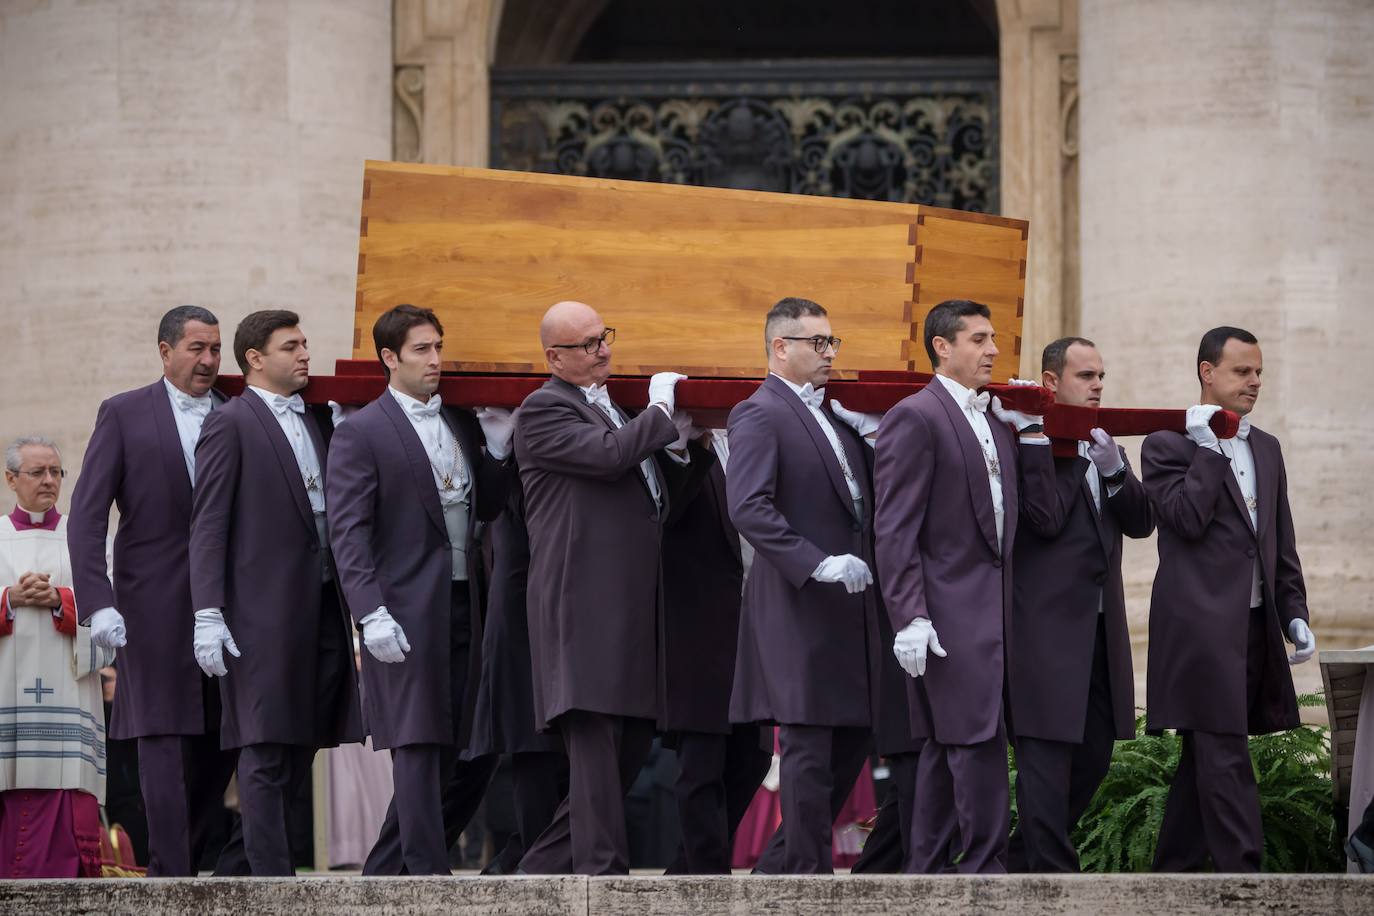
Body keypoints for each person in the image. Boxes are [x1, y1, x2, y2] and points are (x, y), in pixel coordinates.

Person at [874, 298, 1059, 874]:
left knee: (943, 744)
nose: (994, 350)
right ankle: (985, 867)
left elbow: (1026, 517)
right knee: (976, 739)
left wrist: (1030, 436)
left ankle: (924, 870)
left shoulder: (993, 418)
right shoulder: (916, 415)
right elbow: (894, 527)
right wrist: (910, 615)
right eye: (979, 339)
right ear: (942, 347)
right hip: (945, 612)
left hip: (994, 609)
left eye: (993, 338)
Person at [327, 303, 512, 875]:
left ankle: (386, 872)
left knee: (468, 742)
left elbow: (489, 505)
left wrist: (499, 452)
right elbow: (348, 532)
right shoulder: (361, 431)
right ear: (390, 358)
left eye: (438, 347)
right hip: (402, 609)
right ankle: (429, 877)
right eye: (421, 350)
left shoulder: (458, 421)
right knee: (417, 740)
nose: (435, 359)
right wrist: (369, 612)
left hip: (467, 602)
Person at [67, 305, 245, 876]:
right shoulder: (123, 414)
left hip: (234, 602)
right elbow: (87, 518)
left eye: (216, 349)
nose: (209, 360)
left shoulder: (237, 411)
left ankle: (205, 856)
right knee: (162, 733)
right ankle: (172, 877)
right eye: (197, 348)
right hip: (152, 603)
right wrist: (98, 602)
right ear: (165, 351)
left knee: (230, 732)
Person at [188, 310, 364, 875]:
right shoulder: (231, 423)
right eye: (292, 346)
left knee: (302, 740)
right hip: (259, 611)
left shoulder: (317, 419)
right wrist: (208, 611)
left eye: (306, 343)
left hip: (322, 605)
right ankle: (270, 883)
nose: (306, 354)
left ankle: (243, 868)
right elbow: (209, 522)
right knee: (264, 745)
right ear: (256, 358)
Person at [514, 300, 686, 876]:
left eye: (603, 337)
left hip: (629, 608)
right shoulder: (542, 409)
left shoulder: (608, 405)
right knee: (595, 748)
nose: (603, 350)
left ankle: (531, 879)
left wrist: (686, 447)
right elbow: (609, 458)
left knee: (627, 752)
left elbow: (651, 498)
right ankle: (603, 880)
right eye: (587, 344)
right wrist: (661, 410)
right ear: (554, 357)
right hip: (580, 608)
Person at [1143, 326, 1316, 872]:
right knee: (1224, 750)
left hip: (1255, 627)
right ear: (1206, 372)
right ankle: (1247, 878)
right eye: (1242, 371)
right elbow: (1186, 521)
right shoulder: (1165, 443)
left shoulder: (1267, 446)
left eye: (1258, 371)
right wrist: (1208, 450)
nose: (1255, 381)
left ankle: (1175, 870)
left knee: (1206, 754)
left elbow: (1278, 540)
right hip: (1198, 631)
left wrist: (1294, 614)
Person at [725, 296, 882, 875]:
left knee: (853, 738)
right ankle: (804, 885)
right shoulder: (760, 411)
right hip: (798, 601)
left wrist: (877, 441)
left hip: (848, 608)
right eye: (818, 343)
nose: (829, 353)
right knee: (808, 746)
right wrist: (815, 563)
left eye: (832, 341)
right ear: (779, 348)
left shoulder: (832, 414)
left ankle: (777, 873)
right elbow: (747, 505)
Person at [1005, 337, 1155, 872]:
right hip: (1042, 635)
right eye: (1086, 376)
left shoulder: (1102, 441)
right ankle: (1056, 883)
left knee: (1093, 757)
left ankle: (1014, 861)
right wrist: (1058, 446)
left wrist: (1114, 469)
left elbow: (1141, 523)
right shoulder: (1026, 439)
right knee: (1044, 762)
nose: (1097, 387)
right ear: (1051, 382)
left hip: (1099, 631)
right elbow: (1043, 520)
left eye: (1100, 377)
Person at [658, 427, 771, 874]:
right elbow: (667, 510)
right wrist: (686, 443)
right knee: (702, 762)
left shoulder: (760, 437)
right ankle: (706, 880)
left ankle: (687, 873)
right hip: (699, 630)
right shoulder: (682, 445)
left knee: (753, 757)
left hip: (755, 621)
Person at [0, 436, 114, 877]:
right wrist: (8, 599)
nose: (49, 481)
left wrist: (62, 601)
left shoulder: (84, 537)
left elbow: (112, 616)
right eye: (37, 472)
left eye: (56, 472)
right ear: (11, 479)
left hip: (68, 702)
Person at [466, 466, 570, 876]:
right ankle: (529, 858)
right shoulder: (513, 475)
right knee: (531, 751)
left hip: (540, 616)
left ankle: (526, 855)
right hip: (520, 621)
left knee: (547, 757)